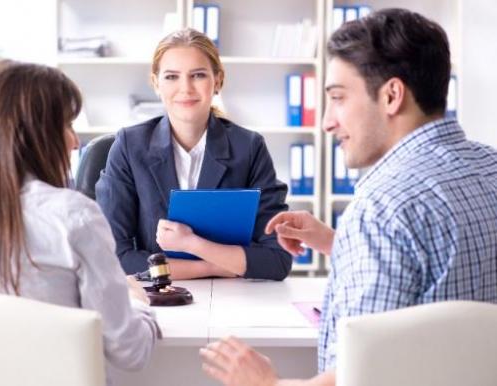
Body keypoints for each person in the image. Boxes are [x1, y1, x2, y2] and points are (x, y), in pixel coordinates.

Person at [200, 8, 497, 386]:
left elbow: (363, 378)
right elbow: (441, 274)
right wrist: (338, 243)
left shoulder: (381, 207)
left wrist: (267, 385)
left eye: (338, 98)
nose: (326, 122)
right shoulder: (490, 167)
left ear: (392, 95)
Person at [0, 60, 160, 385]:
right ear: (35, 135)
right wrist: (137, 302)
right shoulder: (73, 215)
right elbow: (129, 351)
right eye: (66, 125)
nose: (75, 142)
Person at [95, 28, 292, 280]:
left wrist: (191, 244)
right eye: (171, 77)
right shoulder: (130, 146)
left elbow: (277, 259)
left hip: (234, 300)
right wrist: (212, 267)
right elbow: (112, 257)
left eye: (198, 75)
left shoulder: (249, 148)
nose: (185, 88)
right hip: (159, 299)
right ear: (156, 83)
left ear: (218, 80)